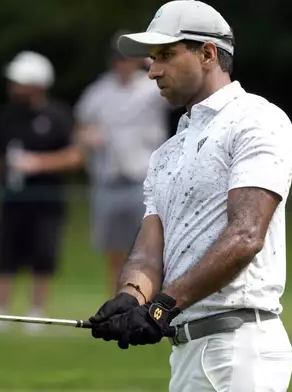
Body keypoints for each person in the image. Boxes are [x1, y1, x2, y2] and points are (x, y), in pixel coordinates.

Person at [88, 1, 292, 391]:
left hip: (239, 345)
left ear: (207, 53)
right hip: (187, 349)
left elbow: (246, 235)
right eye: (152, 58)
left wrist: (163, 304)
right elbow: (149, 251)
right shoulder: (167, 153)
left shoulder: (256, 119)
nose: (152, 71)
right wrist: (130, 298)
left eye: (166, 55)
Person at [0, 51, 82, 333]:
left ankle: (36, 312)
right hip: (11, 199)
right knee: (4, 256)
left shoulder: (58, 115)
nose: (13, 86)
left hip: (46, 201)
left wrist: (38, 163)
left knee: (43, 255)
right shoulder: (7, 115)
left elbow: (74, 156)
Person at [74, 30, 171, 295]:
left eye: (127, 58)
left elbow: (174, 81)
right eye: (117, 58)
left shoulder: (151, 87)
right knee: (114, 252)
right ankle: (118, 302)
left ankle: (149, 302)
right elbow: (81, 128)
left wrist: (148, 59)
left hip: (144, 180)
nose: (120, 64)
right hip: (109, 180)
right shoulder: (98, 92)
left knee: (149, 248)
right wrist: (87, 136)